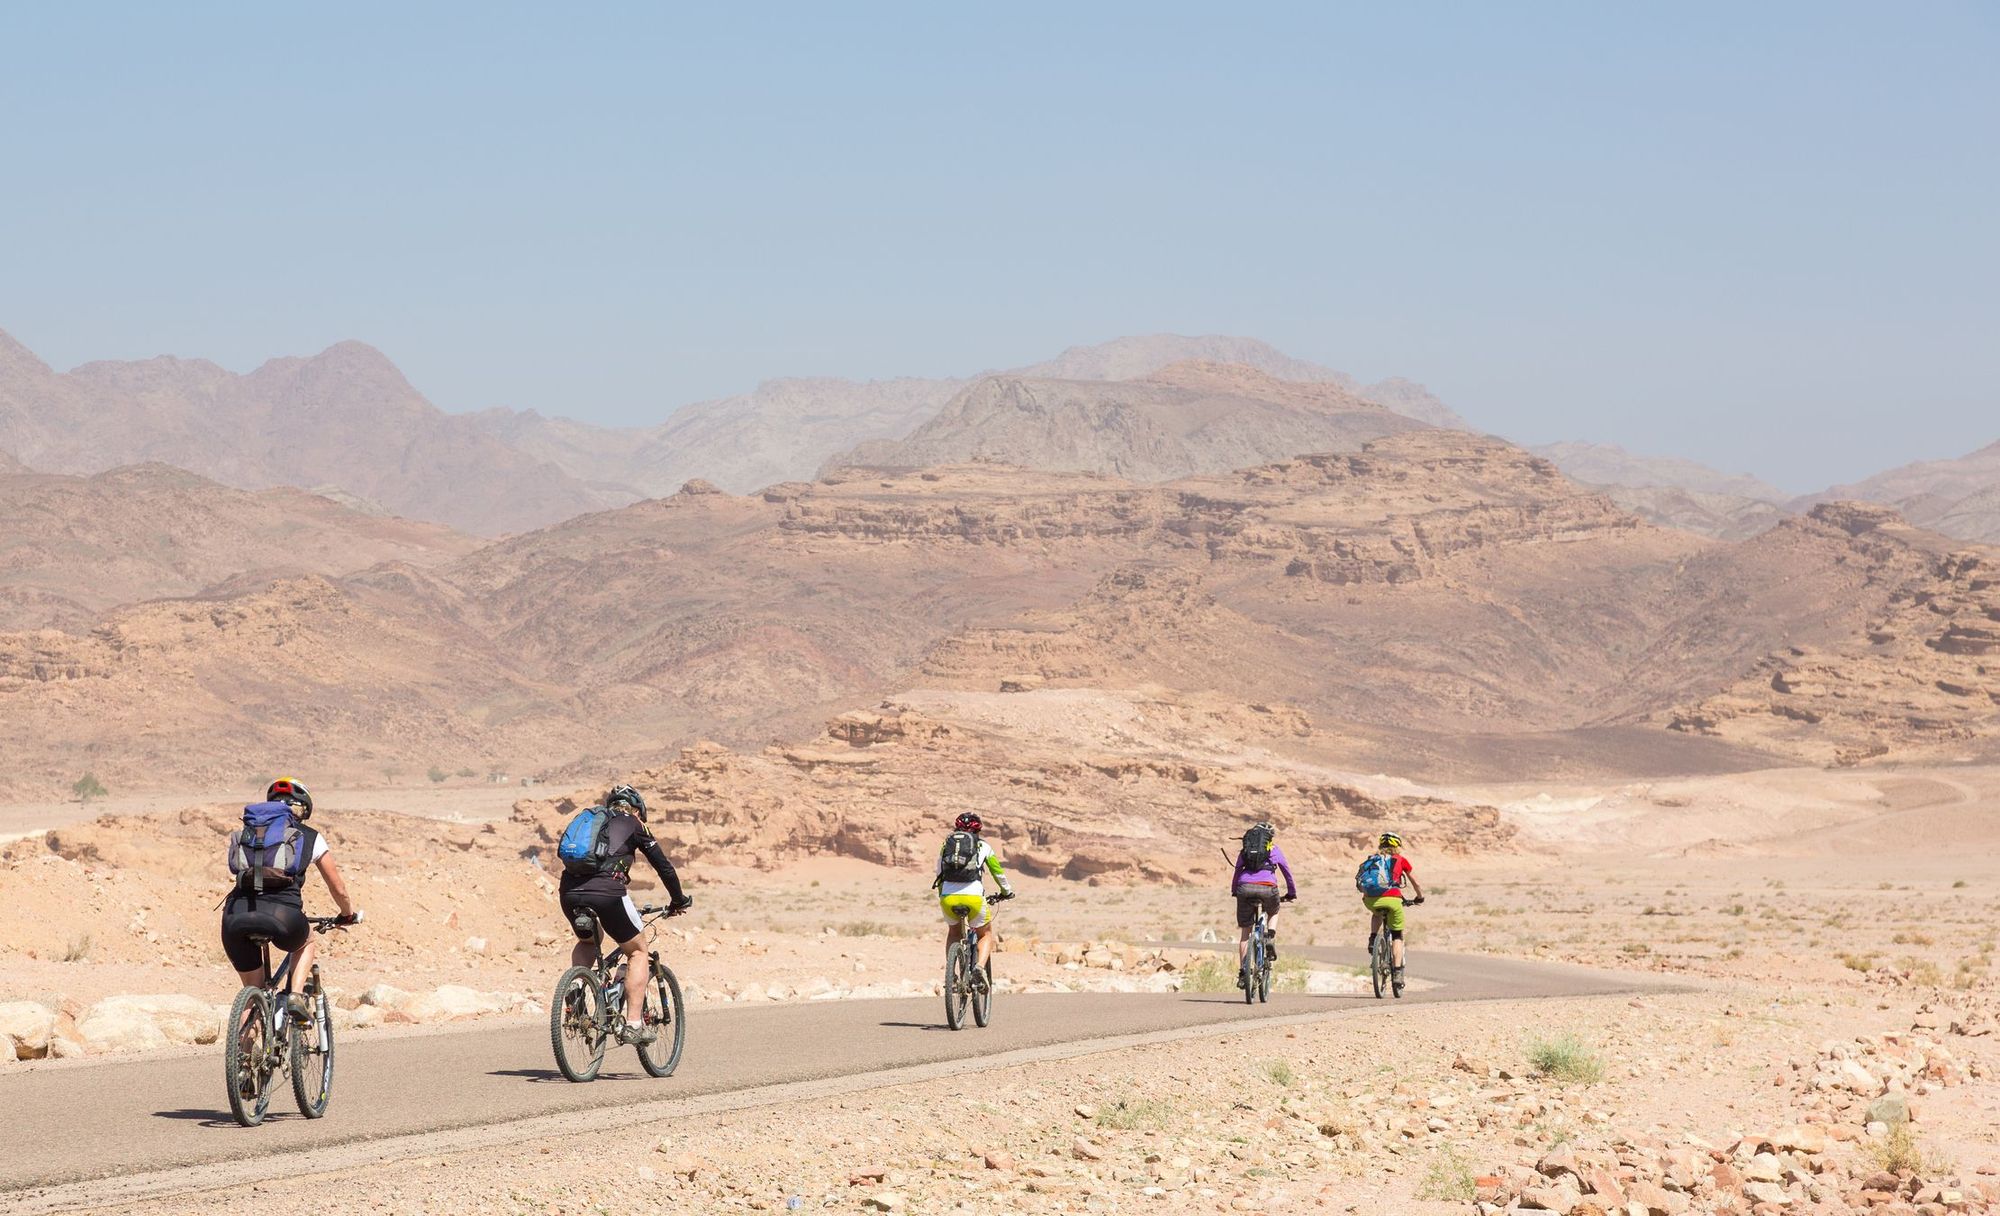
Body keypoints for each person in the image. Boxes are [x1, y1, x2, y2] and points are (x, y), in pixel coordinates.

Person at [557, 784, 692, 1044]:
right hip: (607, 893)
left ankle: (575, 989)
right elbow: (663, 867)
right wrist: (678, 900)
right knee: (638, 951)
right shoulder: (635, 823)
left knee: (587, 940)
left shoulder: (590, 821)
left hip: (569, 892)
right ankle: (632, 1024)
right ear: (637, 810)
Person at [221, 778, 360, 1016]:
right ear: (303, 810)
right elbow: (338, 888)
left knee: (253, 995)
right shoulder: (310, 836)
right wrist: (347, 914)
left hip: (235, 917)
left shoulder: (250, 833)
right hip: (283, 915)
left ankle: (242, 1049)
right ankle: (295, 996)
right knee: (307, 941)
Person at [934, 812, 1014, 988]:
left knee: (954, 933)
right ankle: (979, 968)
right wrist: (1006, 891)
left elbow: (938, 873)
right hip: (974, 898)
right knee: (985, 933)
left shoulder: (946, 845)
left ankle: (952, 975)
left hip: (948, 898)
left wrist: (943, 894)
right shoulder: (983, 846)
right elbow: (997, 872)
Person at [1229, 820, 1296, 986]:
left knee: (1245, 934)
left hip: (1244, 888)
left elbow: (1237, 871)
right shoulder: (1274, 849)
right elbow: (1287, 872)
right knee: (1273, 911)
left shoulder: (1245, 850)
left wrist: (1235, 891)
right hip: (1268, 888)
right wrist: (1291, 893)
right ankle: (1270, 937)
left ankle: (1244, 973)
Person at [1358, 832, 1424, 995]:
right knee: (1397, 936)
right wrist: (1419, 897)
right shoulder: (1400, 860)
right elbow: (1415, 881)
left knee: (1377, 913)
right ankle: (1397, 974)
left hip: (1371, 900)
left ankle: (1373, 939)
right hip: (1393, 900)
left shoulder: (1371, 859)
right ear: (1397, 847)